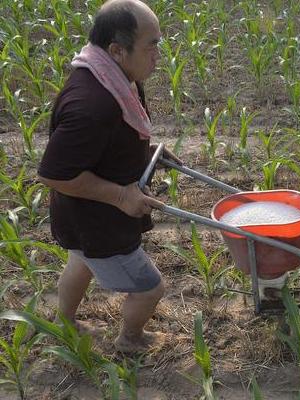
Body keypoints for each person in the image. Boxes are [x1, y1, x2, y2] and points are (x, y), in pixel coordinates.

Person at [38, 0, 178, 353]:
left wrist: (148, 155)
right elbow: (55, 174)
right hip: (98, 221)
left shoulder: (116, 78)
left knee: (80, 260)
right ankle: (131, 340)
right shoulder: (91, 105)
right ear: (116, 50)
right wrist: (120, 196)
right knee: (149, 288)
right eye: (152, 46)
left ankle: (65, 321)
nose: (157, 56)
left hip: (80, 220)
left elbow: (111, 141)